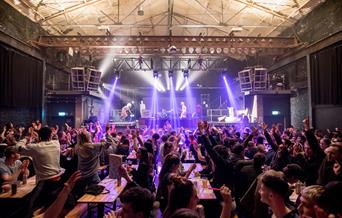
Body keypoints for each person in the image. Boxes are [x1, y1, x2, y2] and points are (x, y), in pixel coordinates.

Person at [16, 127, 64, 216]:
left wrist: (26, 139)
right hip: (58, 179)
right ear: (50, 135)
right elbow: (53, 138)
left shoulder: (35, 147)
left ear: (39, 137)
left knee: (30, 205)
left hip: (45, 181)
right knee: (48, 204)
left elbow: (17, 148)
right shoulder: (56, 143)